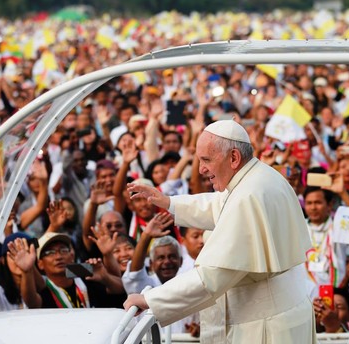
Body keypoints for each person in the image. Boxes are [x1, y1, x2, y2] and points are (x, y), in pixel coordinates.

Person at [124, 120, 314, 343]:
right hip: (284, 313)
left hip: (265, 327)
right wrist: (168, 202)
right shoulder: (258, 176)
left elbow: (211, 277)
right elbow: (220, 204)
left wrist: (151, 299)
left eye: (206, 160)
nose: (201, 169)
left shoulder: (248, 194)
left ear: (233, 158)